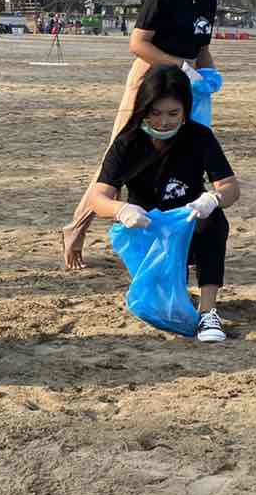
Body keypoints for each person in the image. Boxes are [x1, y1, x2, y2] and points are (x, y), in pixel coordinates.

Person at [61, 0, 238, 270]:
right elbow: (138, 44)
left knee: (181, 156)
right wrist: (179, 67)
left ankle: (174, 238)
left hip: (188, 87)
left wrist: (209, 73)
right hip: (152, 80)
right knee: (121, 158)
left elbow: (202, 46)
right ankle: (76, 229)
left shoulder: (208, 0)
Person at [88, 65, 240, 343]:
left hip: (189, 227)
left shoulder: (199, 137)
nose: (163, 122)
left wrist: (213, 198)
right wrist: (121, 210)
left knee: (214, 220)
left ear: (185, 110)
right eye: (155, 113)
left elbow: (230, 187)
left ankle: (208, 310)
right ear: (143, 109)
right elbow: (98, 197)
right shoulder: (127, 143)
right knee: (161, 303)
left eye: (173, 113)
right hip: (147, 229)